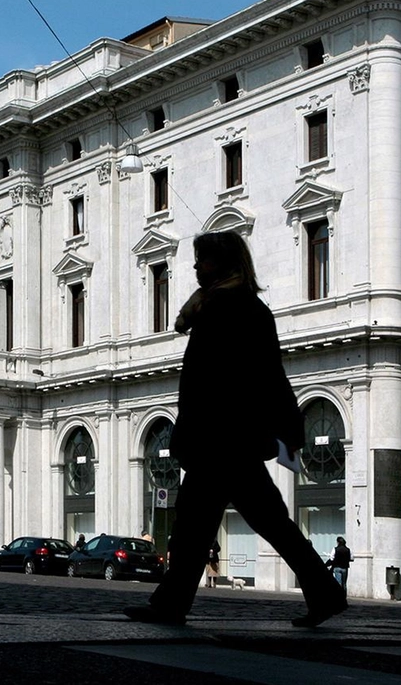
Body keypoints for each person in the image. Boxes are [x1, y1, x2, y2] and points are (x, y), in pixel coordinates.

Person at [123, 231, 346, 627]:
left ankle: (171, 605)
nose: (195, 267)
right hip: (229, 437)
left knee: (196, 524)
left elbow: (243, 377)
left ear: (224, 263)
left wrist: (281, 427)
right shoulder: (237, 307)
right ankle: (325, 591)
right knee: (254, 521)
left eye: (203, 260)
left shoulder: (229, 309)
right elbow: (267, 375)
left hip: (221, 437)